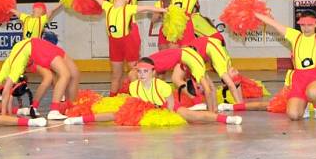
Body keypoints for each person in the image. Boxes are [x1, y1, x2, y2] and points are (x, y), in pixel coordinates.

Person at [63, 57, 242, 125]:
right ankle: (79, 119)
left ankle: (226, 118)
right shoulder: (134, 86)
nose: (141, 74)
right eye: (139, 71)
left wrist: (166, 114)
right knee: (115, 114)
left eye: (145, 72)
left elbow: (170, 104)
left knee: (191, 116)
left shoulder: (161, 86)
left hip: (166, 107)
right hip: (147, 108)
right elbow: (137, 103)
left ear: (153, 72)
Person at [88, 0, 164, 97]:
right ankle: (112, 99)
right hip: (114, 44)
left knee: (134, 72)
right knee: (115, 75)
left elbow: (147, 8)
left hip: (128, 43)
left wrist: (164, 9)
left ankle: (141, 96)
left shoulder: (129, 8)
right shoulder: (107, 6)